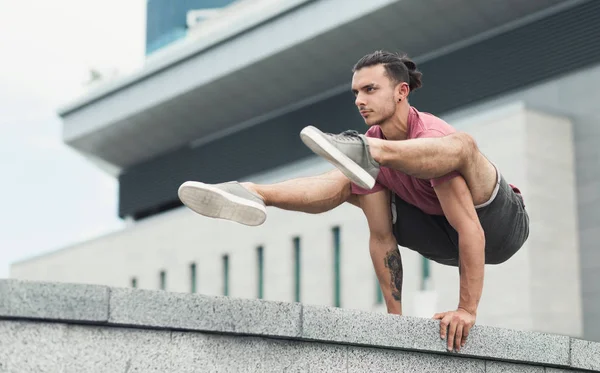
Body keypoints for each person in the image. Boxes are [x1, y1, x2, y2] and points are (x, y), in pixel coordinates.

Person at [177, 50, 529, 353]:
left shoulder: (430, 138)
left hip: (497, 225)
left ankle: (370, 151)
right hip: (440, 236)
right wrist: (396, 324)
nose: (360, 100)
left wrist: (466, 310)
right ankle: (254, 193)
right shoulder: (363, 161)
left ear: (401, 92)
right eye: (356, 92)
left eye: (370, 89)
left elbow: (470, 226)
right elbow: (382, 238)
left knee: (461, 146)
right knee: (349, 177)